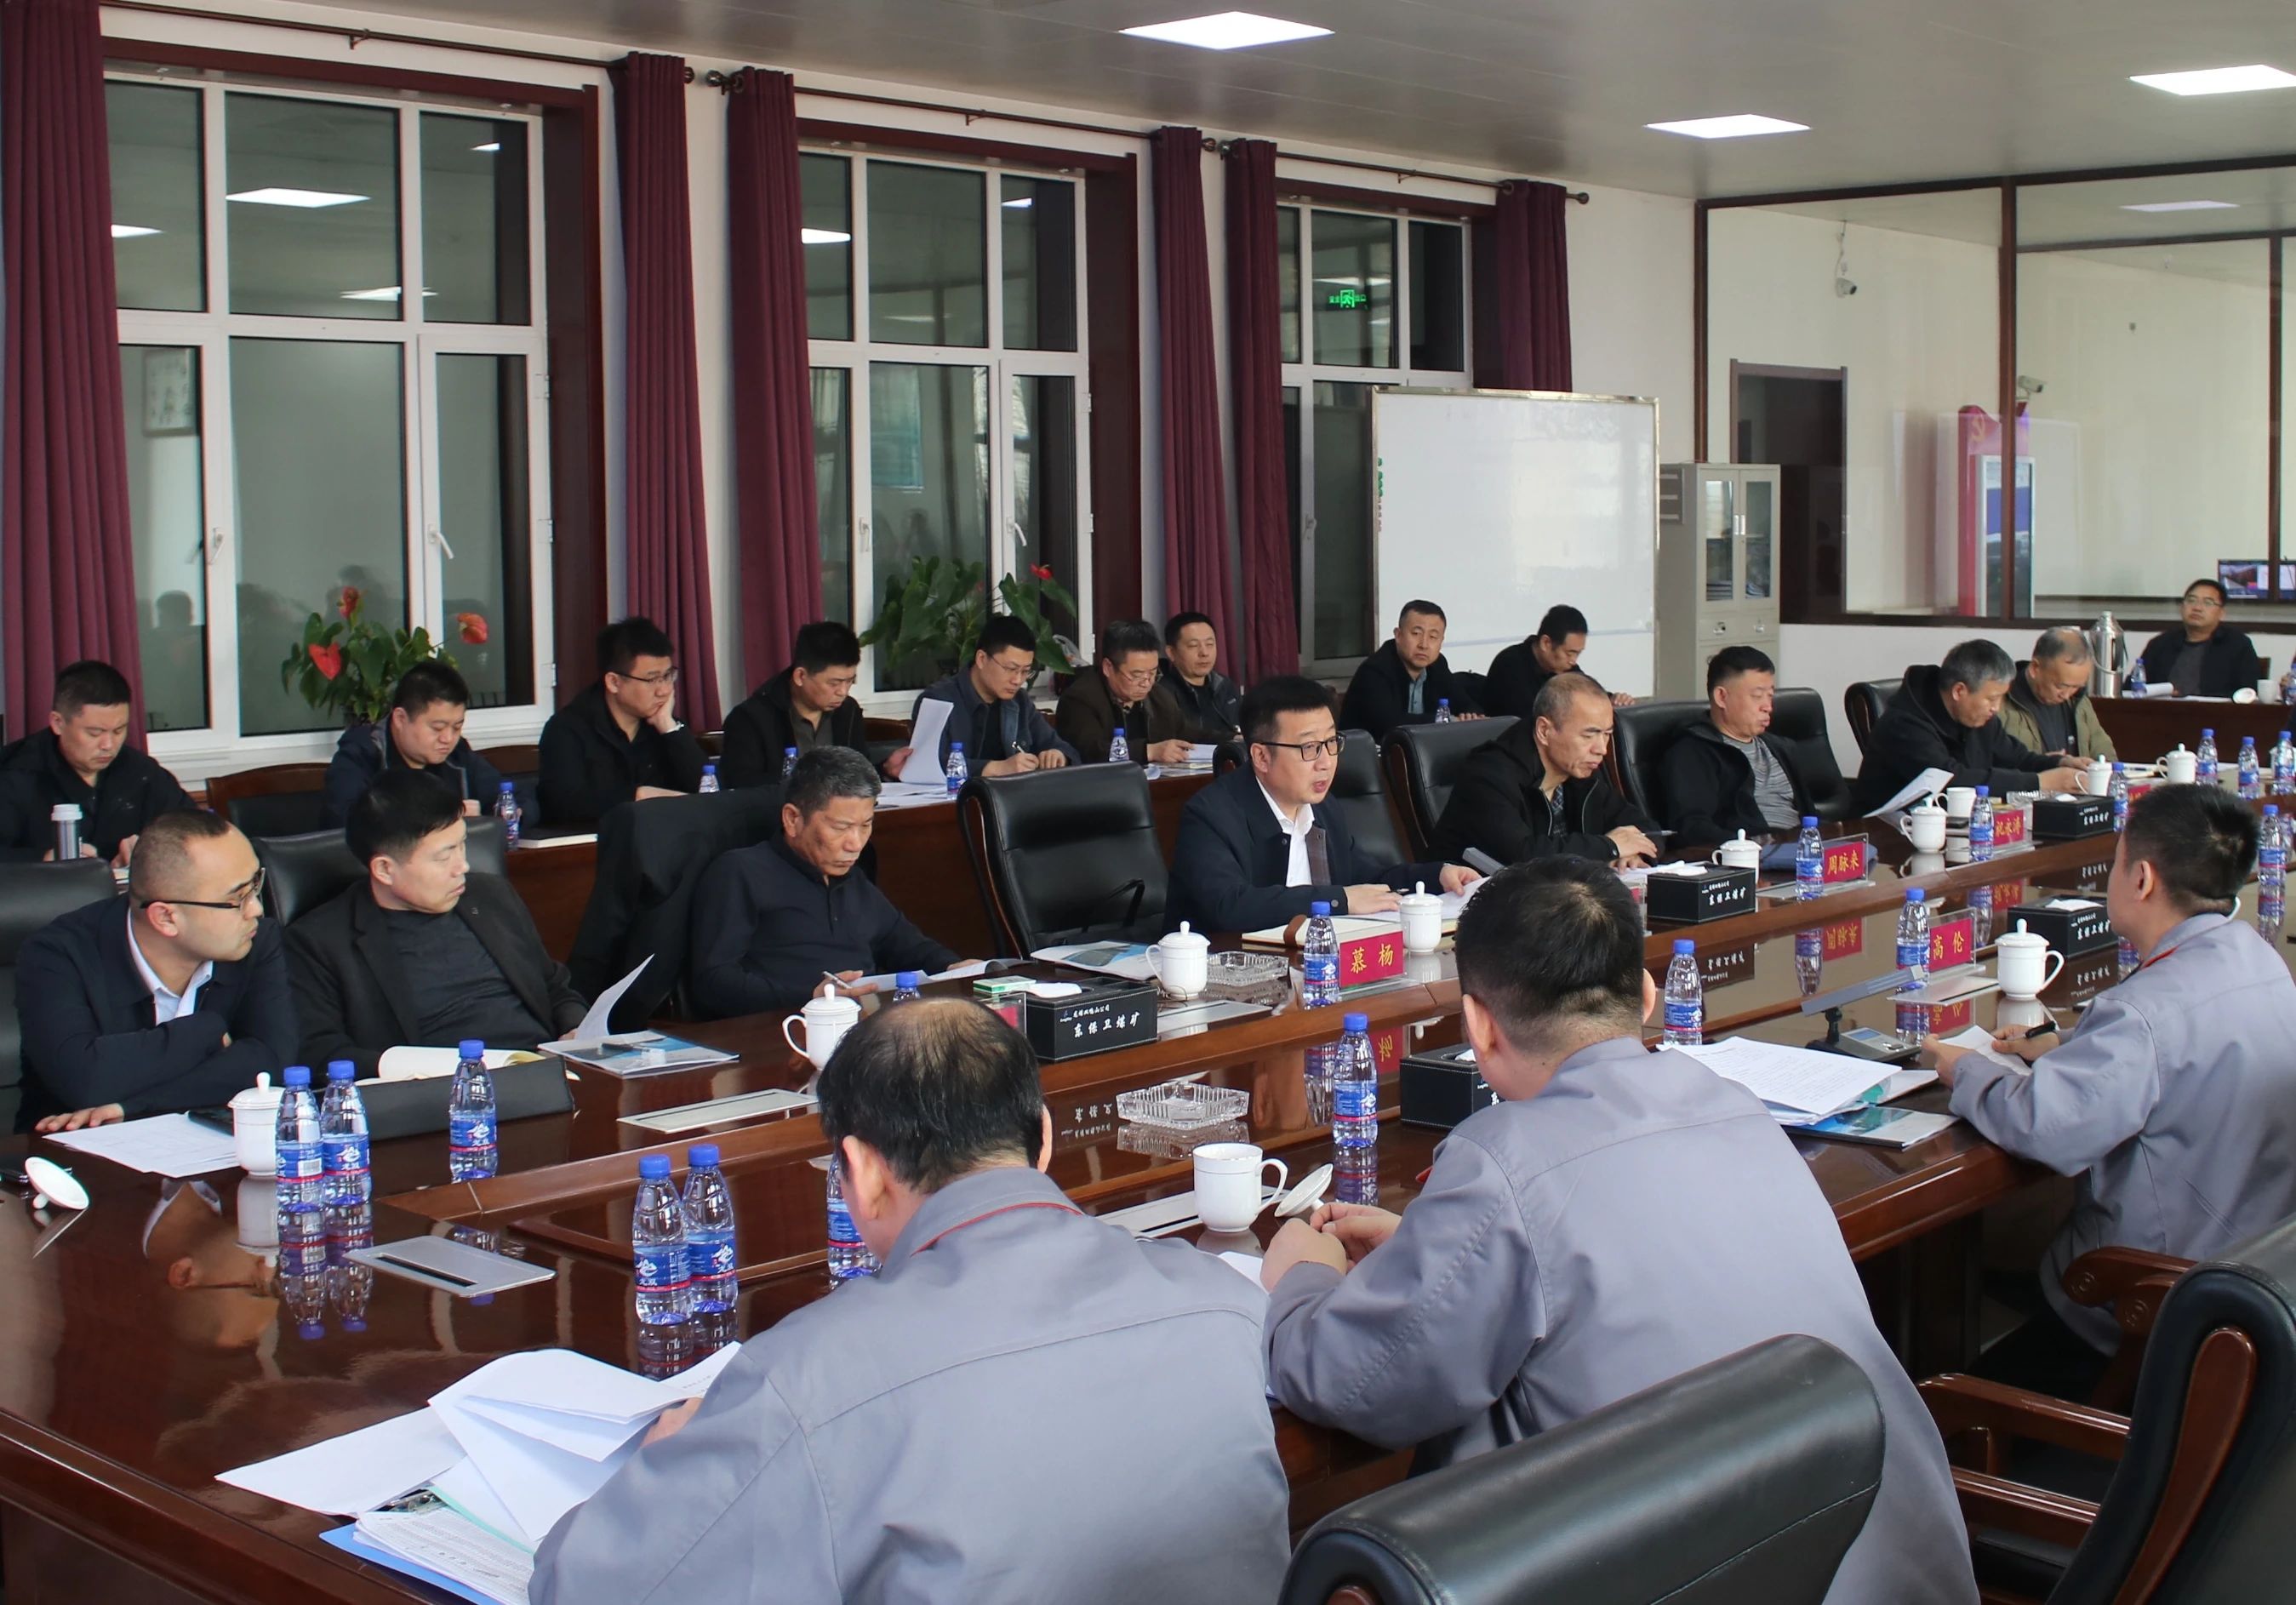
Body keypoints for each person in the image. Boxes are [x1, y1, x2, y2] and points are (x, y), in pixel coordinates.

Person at [1257, 858, 1978, 1605]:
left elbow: (1359, 1382)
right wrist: (1433, 1246)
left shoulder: (1503, 1161)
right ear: (1647, 994)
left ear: (1477, 1025)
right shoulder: (1734, 1104)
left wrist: (1304, 1276)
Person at [531, 1000, 1291, 1605]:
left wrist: (665, 1461)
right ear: (1044, 1140)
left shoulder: (807, 1381)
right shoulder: (1222, 1302)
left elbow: (587, 1588)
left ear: (860, 1174)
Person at [1925, 785, 2296, 1373]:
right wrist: (2068, 1045)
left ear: (2141, 879)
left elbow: (2045, 1127)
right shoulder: (2260, 960)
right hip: (2258, 1275)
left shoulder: (2140, 1015)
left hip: (2152, 1301)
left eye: (2117, 861)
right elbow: (2181, 1039)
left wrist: (1963, 1068)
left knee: (1958, 1269)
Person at [15, 810, 297, 1134]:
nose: (256, 909)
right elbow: (86, 1080)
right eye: (237, 898)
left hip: (205, 1143)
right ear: (166, 918)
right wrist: (207, 1029)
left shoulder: (256, 940)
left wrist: (134, 1106)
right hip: (73, 1150)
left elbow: (272, 1063)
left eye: (255, 886)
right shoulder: (57, 955)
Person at [288, 772, 585, 1077]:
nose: (463, 866)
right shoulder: (320, 942)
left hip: (547, 1070)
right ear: (385, 869)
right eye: (444, 857)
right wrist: (413, 1070)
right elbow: (322, 1053)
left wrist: (575, 1030)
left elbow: (554, 986)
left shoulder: (492, 896)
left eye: (462, 845)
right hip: (442, 1090)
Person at [1166, 676, 1476, 932]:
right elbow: (1230, 906)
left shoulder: (1323, 808)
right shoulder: (1210, 815)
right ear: (1261, 756)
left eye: (1331, 743)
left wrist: (1436, 876)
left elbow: (1368, 878)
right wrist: (1339, 900)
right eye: (1310, 747)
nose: (1326, 762)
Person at [688, 748, 962, 1020]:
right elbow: (712, 982)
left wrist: (956, 967)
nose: (855, 844)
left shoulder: (853, 878)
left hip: (865, 1028)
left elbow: (908, 945)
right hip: (782, 1029)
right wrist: (811, 998)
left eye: (865, 825)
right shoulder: (740, 873)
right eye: (841, 828)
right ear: (793, 819)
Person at [1432, 673, 1659, 865]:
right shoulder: (1489, 775)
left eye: (1607, 734)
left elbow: (1649, 829)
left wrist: (1634, 852)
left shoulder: (1582, 771)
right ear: (1544, 730)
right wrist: (1610, 847)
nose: (1601, 749)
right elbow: (1522, 856)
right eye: (1589, 735)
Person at [1853, 640, 2088, 814]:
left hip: (1957, 830)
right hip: (1888, 836)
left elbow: (2017, 758)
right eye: (1991, 698)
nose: (1996, 708)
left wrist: (2060, 764)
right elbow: (1952, 781)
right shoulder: (1904, 725)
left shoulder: (1979, 717)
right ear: (1959, 691)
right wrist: (2041, 783)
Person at [0, 660, 191, 866]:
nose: (108, 745)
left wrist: (150, 851)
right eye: (95, 733)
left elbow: (194, 830)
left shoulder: (141, 772)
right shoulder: (14, 774)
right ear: (58, 723)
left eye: (119, 731)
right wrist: (43, 861)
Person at [537, 617, 707, 825]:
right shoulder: (567, 729)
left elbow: (709, 790)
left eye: (667, 676)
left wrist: (670, 730)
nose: (664, 690)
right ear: (614, 682)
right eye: (652, 679)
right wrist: (638, 796)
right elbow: (562, 803)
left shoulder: (663, 726)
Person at [720, 620, 912, 787]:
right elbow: (741, 785)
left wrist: (885, 771)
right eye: (834, 683)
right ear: (800, 676)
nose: (843, 692)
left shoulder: (847, 711)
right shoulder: (751, 719)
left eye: (849, 681)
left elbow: (855, 776)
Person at [321, 660, 505, 828]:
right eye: (438, 728)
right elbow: (348, 824)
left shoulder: (457, 755)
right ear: (400, 719)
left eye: (457, 727)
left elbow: (511, 799)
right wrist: (443, 818)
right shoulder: (360, 756)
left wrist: (493, 817)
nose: (448, 738)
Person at [1657, 645, 1813, 842]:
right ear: (1722, 697)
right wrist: (1747, 847)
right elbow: (1692, 827)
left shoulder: (1781, 747)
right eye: (1757, 696)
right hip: (1751, 851)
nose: (1768, 707)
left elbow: (1810, 815)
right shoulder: (1692, 753)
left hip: (1799, 847)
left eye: (1770, 696)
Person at [911, 614, 1077, 776]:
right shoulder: (937, 700)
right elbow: (926, 766)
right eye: (1011, 669)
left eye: (1026, 671)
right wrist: (995, 768)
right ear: (982, 659)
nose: (1018, 680)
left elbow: (1065, 750)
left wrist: (1058, 755)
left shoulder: (1019, 701)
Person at [1055, 619, 1226, 765]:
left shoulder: (1158, 695)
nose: (1146, 683)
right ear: (1108, 667)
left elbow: (1186, 733)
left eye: (1152, 673)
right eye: (1136, 675)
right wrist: (1149, 751)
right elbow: (1090, 751)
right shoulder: (1080, 699)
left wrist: (1231, 739)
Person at [1338, 600, 1484, 740]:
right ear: (1398, 635)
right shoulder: (1374, 671)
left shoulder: (1437, 665)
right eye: (1416, 634)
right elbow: (1389, 724)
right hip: (1367, 752)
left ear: (1441, 641)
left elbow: (1464, 702)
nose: (1424, 645)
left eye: (1433, 636)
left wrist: (1471, 716)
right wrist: (1447, 721)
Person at [1483, 604, 1636, 717]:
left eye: (1578, 654)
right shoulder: (1510, 665)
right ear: (1546, 643)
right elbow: (1534, 721)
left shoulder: (1566, 668)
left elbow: (1587, 691)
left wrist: (1612, 700)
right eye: (1570, 653)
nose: (1573, 661)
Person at [1999, 627, 2117, 762]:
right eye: (2061, 686)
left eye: (2076, 687)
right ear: (2035, 668)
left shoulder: (2078, 701)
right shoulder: (1999, 701)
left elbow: (2105, 754)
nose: (2066, 695)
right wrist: (2042, 763)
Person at [2137, 577, 2261, 700]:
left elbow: (2248, 693)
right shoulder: (2161, 643)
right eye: (2191, 600)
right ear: (2182, 607)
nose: (2197, 608)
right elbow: (2134, 687)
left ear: (2221, 613)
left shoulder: (2237, 645)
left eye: (2208, 603)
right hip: (2162, 710)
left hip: (2215, 712)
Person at [1159, 610, 1242, 735]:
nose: (1204, 653)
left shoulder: (1225, 686)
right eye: (1193, 646)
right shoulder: (1162, 693)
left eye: (1210, 644)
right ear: (1171, 653)